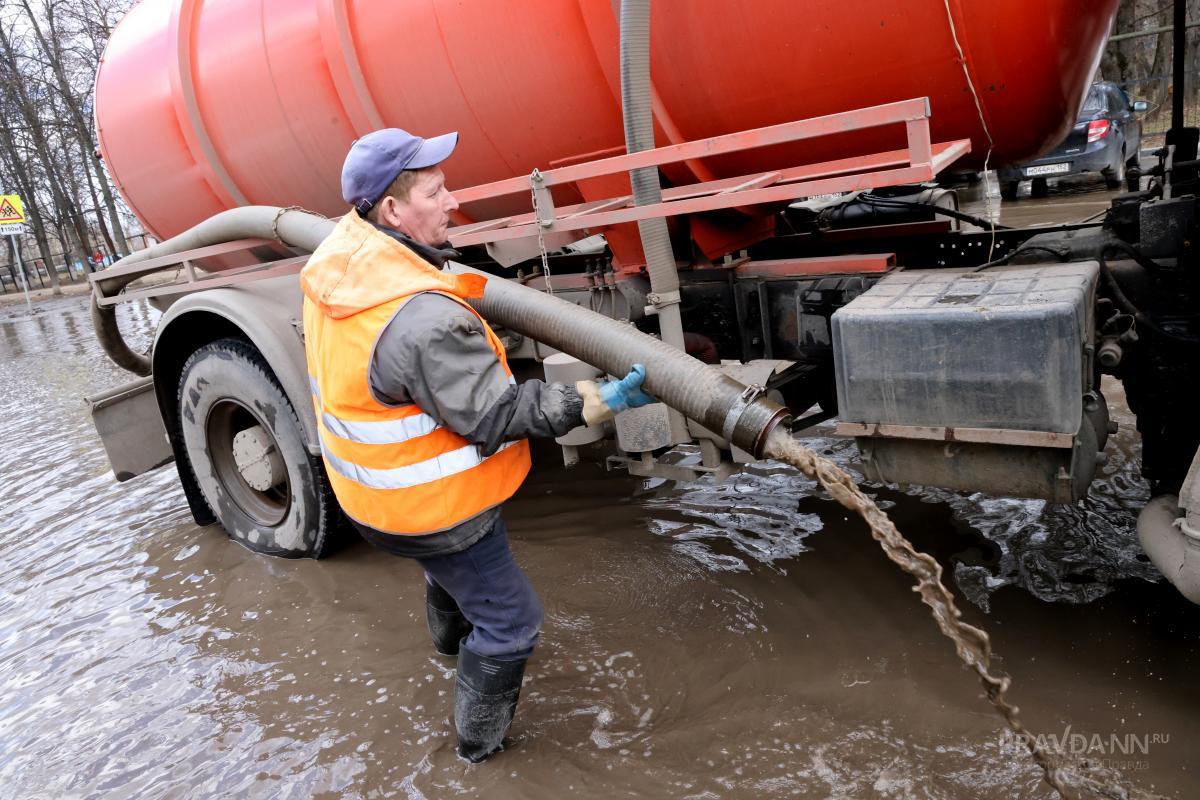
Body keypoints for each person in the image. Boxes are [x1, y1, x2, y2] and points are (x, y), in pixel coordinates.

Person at [300, 128, 654, 762]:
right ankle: (475, 752)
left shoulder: (341, 268)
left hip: (373, 500)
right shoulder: (422, 319)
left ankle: (447, 652)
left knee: (450, 576)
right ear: (392, 211)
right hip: (438, 510)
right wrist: (594, 402)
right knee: (512, 622)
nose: (453, 202)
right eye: (436, 192)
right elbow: (496, 414)